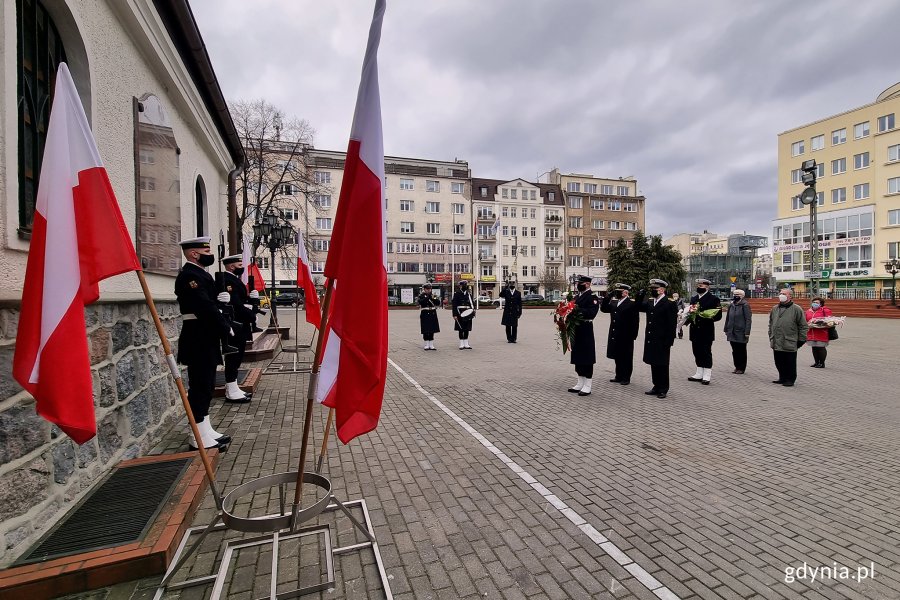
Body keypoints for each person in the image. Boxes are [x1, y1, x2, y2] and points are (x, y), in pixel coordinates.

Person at [175, 237, 232, 449]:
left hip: (205, 336)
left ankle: (205, 429)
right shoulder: (190, 275)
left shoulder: (201, 274)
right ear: (193, 254)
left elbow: (210, 302)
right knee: (199, 386)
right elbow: (203, 306)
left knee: (207, 385)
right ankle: (196, 435)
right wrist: (225, 325)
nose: (209, 254)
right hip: (197, 337)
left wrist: (221, 301)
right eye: (204, 251)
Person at [220, 255, 254, 402]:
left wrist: (252, 299)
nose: (242, 266)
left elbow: (241, 301)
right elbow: (235, 305)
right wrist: (251, 315)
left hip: (240, 324)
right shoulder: (227, 280)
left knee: (238, 356)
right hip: (235, 324)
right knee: (233, 357)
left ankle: (233, 387)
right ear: (231, 266)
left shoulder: (234, 279)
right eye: (239, 264)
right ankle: (231, 389)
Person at [636, 279, 678, 399]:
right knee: (653, 363)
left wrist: (669, 341)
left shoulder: (669, 303)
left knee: (662, 364)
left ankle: (663, 388)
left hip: (662, 339)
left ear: (662, 289)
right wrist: (640, 295)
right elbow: (638, 307)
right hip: (651, 337)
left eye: (655, 289)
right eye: (652, 289)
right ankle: (656, 386)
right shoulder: (650, 301)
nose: (653, 291)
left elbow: (672, 324)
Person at [600, 283, 639, 385]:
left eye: (619, 292)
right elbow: (604, 309)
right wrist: (607, 297)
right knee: (617, 355)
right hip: (615, 333)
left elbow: (635, 321)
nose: (617, 294)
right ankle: (619, 375)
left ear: (625, 293)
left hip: (626, 335)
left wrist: (633, 335)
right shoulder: (614, 302)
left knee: (626, 357)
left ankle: (626, 377)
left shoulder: (631, 303)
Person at [768, 288, 808, 387]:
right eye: (780, 293)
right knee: (779, 361)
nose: (781, 295)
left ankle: (790, 379)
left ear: (790, 296)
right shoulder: (775, 308)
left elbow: (803, 326)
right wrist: (770, 334)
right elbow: (771, 323)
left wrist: (801, 340)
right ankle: (782, 377)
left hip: (789, 340)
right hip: (776, 340)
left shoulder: (796, 309)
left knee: (789, 362)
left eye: (784, 294)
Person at [567, 275, 600, 396]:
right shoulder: (577, 296)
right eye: (577, 283)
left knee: (586, 357)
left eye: (581, 283)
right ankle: (580, 382)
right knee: (577, 356)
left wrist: (576, 309)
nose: (578, 285)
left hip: (585, 329)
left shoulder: (592, 297)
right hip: (576, 329)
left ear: (587, 284)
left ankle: (588, 384)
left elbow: (592, 313)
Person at [686, 278, 722, 385]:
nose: (699, 287)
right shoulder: (694, 298)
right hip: (694, 330)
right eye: (698, 286)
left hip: (706, 331)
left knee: (706, 352)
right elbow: (690, 311)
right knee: (696, 351)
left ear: (707, 287)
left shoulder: (713, 299)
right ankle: (699, 372)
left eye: (701, 286)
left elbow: (718, 315)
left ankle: (707, 374)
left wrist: (706, 316)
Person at [723, 288, 752, 374]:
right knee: (734, 350)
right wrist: (726, 329)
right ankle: (736, 366)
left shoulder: (745, 305)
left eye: (738, 295)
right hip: (731, 331)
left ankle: (741, 368)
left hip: (741, 332)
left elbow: (748, 320)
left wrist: (747, 332)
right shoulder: (732, 305)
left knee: (741, 350)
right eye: (734, 295)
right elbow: (728, 318)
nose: (735, 296)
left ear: (742, 296)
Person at [805, 296, 833, 368]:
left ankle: (822, 363)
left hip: (821, 333)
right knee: (814, 348)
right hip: (811, 332)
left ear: (821, 304)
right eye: (813, 302)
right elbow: (805, 320)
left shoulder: (825, 310)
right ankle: (816, 362)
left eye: (817, 303)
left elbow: (830, 321)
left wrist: (820, 324)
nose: (814, 304)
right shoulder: (808, 311)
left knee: (820, 348)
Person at [451, 281, 476, 349]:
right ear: (460, 286)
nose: (465, 286)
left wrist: (473, 311)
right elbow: (454, 305)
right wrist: (454, 315)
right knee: (461, 328)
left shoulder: (468, 294)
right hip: (460, 313)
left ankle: (466, 342)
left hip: (468, 313)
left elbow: (472, 303)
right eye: (464, 285)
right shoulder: (457, 294)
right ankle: (461, 343)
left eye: (466, 285)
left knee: (467, 328)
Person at [418, 283, 440, 350]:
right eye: (427, 289)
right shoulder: (421, 295)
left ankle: (431, 343)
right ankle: (426, 344)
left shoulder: (433, 295)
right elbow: (420, 302)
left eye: (429, 289)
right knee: (425, 329)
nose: (428, 290)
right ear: (424, 289)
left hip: (432, 313)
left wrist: (434, 298)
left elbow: (438, 302)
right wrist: (427, 298)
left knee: (432, 329)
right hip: (425, 313)